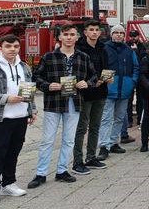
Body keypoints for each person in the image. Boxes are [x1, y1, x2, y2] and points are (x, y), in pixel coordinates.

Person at [28, 24, 97, 189]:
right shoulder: (49, 57)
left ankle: (62, 170)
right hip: (54, 102)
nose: (69, 37)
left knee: (69, 139)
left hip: (74, 102)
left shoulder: (83, 57)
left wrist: (86, 83)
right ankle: (41, 173)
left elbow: (94, 76)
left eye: (72, 34)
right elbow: (36, 77)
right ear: (59, 37)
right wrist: (47, 85)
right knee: (47, 140)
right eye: (65, 34)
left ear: (77, 37)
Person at [0, 35, 37, 206]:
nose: (12, 49)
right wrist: (5, 98)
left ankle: (9, 183)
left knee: (13, 153)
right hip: (0, 118)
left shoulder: (24, 67)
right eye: (8, 46)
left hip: (20, 118)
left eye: (16, 46)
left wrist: (32, 110)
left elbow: (29, 90)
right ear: (1, 48)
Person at [72, 20, 110, 176]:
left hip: (101, 91)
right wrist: (90, 82)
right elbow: (77, 72)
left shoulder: (103, 47)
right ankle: (77, 161)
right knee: (82, 128)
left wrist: (108, 78)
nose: (94, 32)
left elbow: (106, 67)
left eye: (97, 30)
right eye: (91, 30)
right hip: (85, 93)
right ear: (85, 32)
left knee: (95, 126)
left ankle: (91, 157)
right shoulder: (79, 49)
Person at [97, 25, 139, 160]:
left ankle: (114, 142)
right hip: (109, 89)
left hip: (125, 89)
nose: (119, 35)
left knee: (120, 118)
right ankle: (104, 146)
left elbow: (136, 67)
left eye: (121, 33)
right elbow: (99, 66)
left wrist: (132, 82)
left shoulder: (129, 50)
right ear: (111, 34)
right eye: (116, 33)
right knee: (106, 118)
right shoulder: (104, 48)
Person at [126, 29, 147, 131]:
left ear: (138, 36)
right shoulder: (126, 45)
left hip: (140, 75)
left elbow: (142, 59)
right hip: (129, 75)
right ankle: (129, 121)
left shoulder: (142, 46)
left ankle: (140, 120)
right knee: (129, 99)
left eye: (135, 36)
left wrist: (136, 51)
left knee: (140, 99)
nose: (133, 38)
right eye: (131, 36)